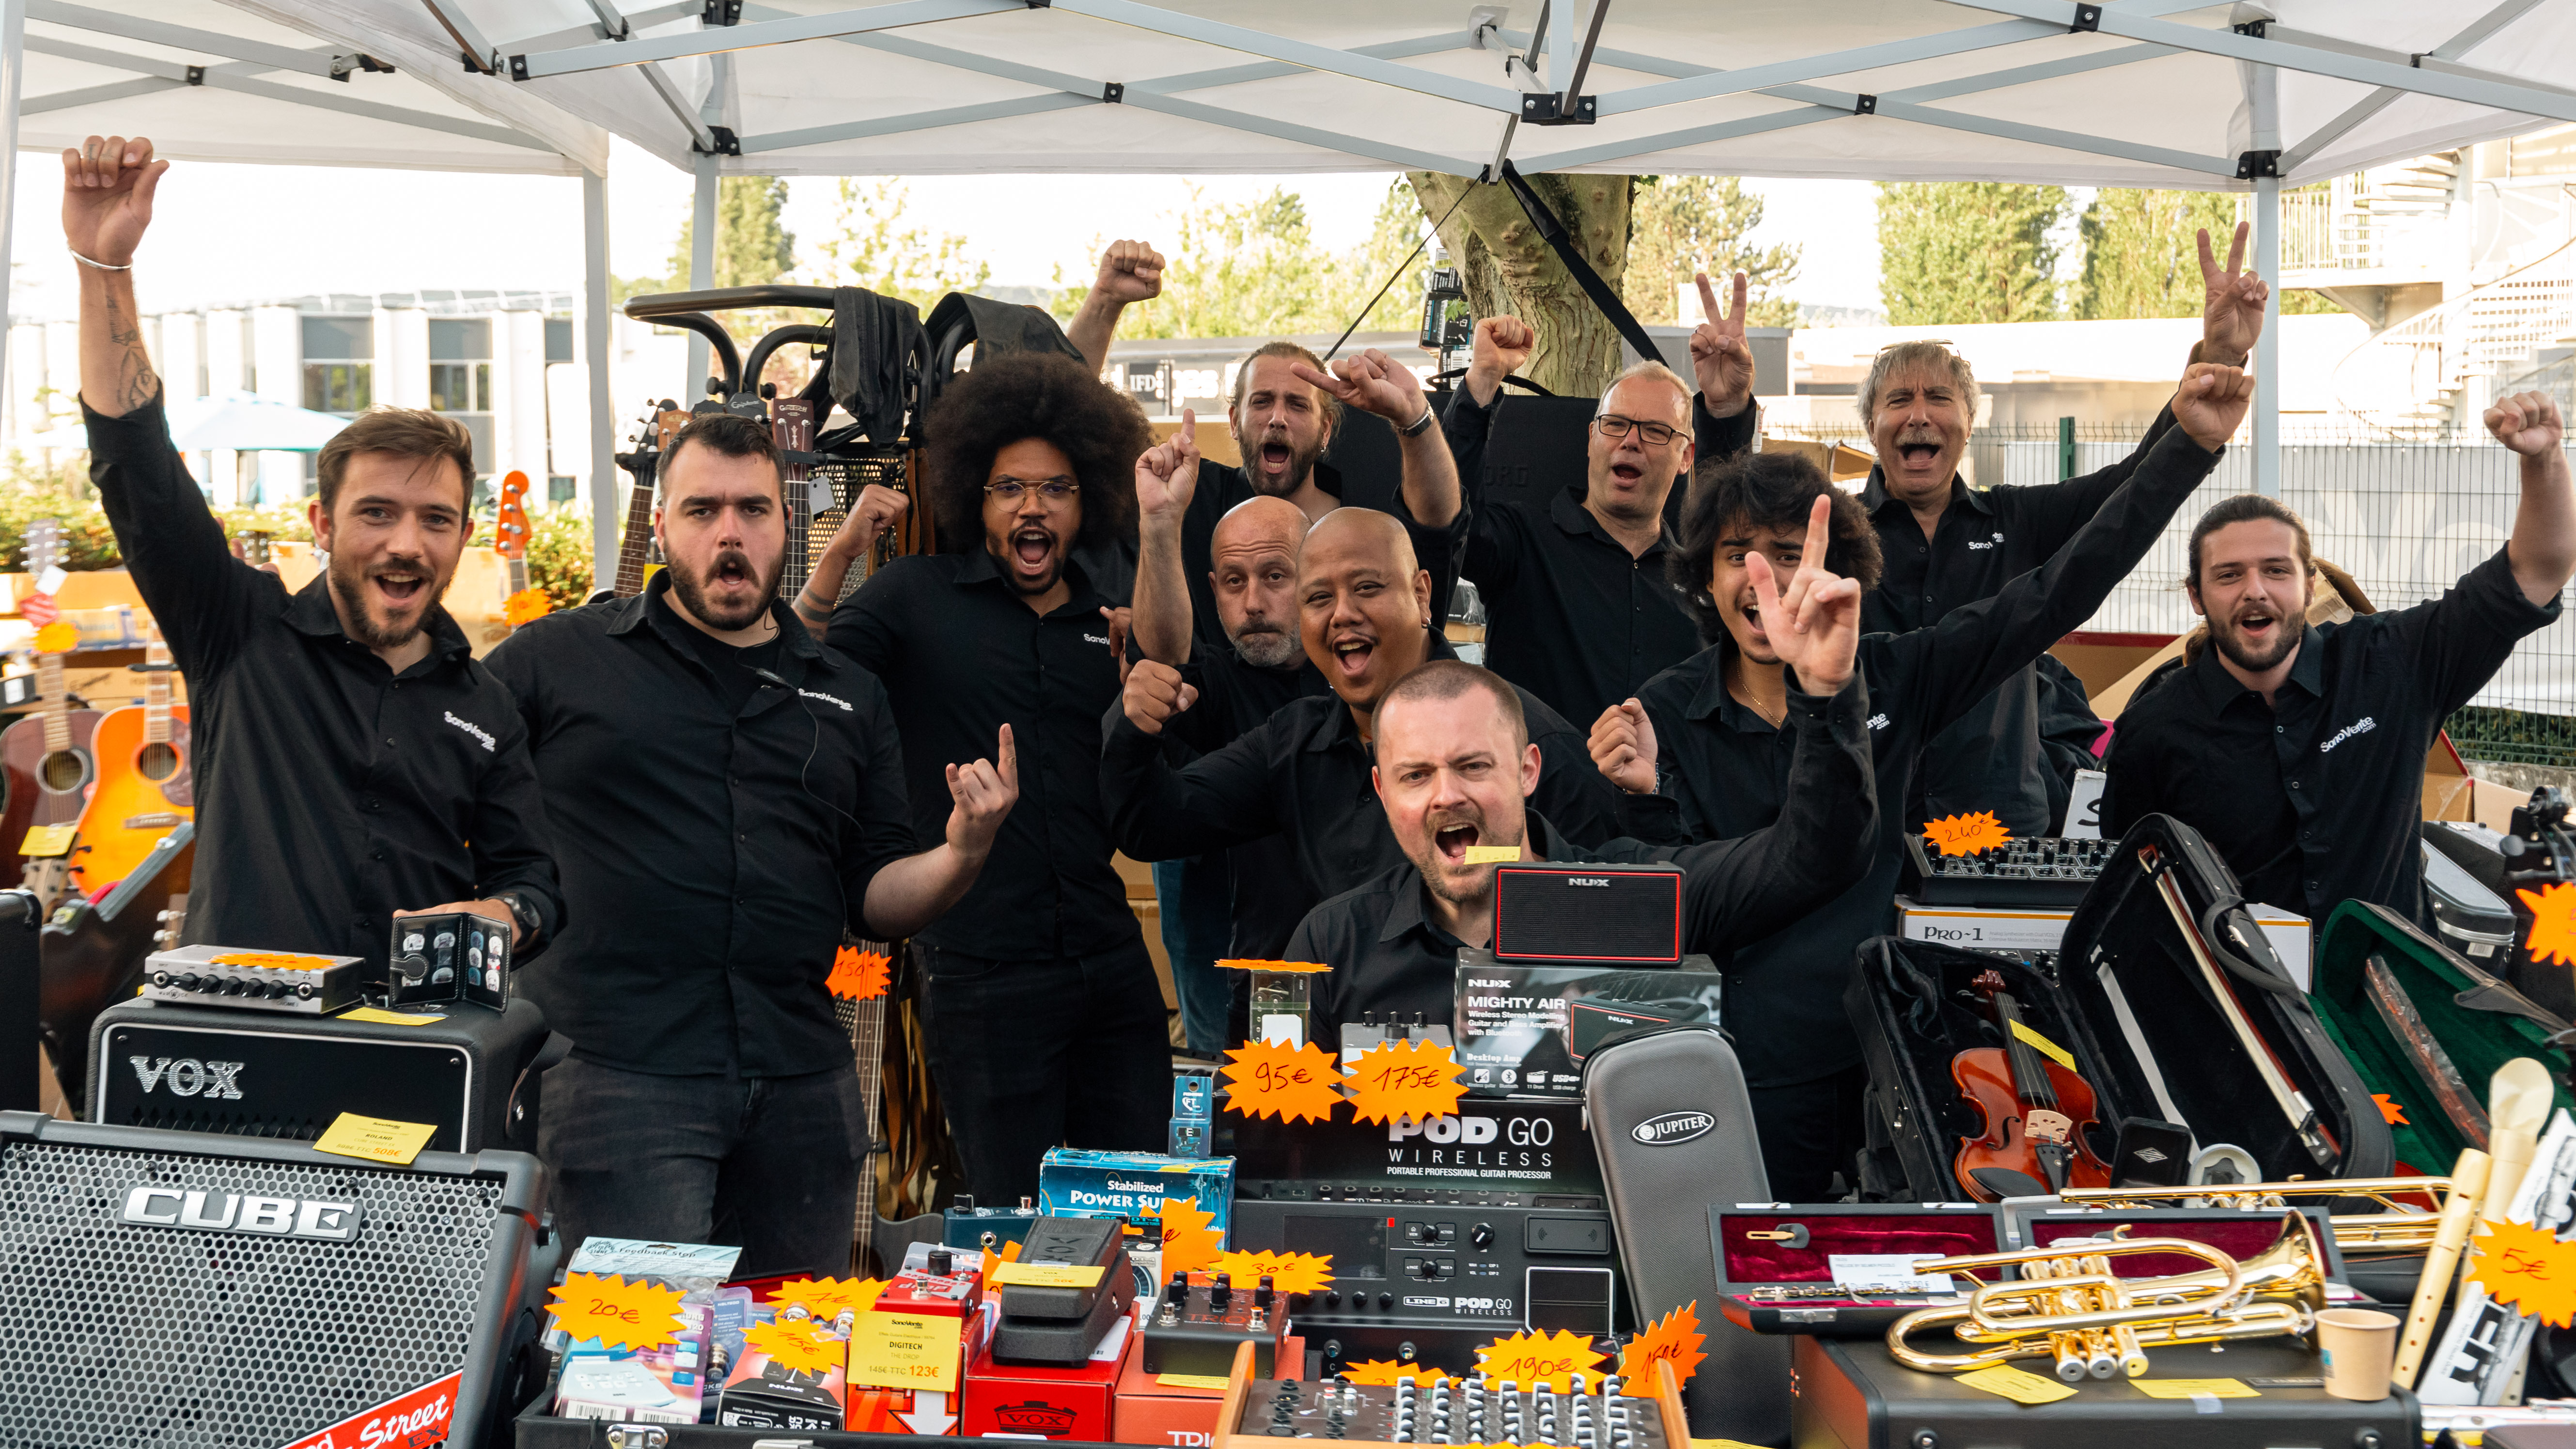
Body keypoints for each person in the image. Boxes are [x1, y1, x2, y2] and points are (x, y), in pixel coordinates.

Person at [1593, 363, 2252, 1197]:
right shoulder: (1663, 712)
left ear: (1837, 569)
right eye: (1737, 557)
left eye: (1791, 555)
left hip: (1900, 1052)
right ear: (1702, 575)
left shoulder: (1898, 676)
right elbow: (1672, 897)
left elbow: (2057, 592)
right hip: (1759, 1066)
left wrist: (2188, 445)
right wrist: (1646, 795)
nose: (1765, 580)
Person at [484, 413, 1015, 1277]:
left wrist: (962, 852)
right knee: (630, 1351)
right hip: (619, 1080)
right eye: (702, 510)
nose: (728, 533)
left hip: (801, 1087)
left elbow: (877, 899)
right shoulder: (556, 659)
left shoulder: (848, 694)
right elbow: (452, 778)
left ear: (787, 525)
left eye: (752, 509)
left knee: (792, 1348)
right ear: (662, 526)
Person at [63, 133, 560, 977]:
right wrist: (103, 269)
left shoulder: (486, 703)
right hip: (241, 1034)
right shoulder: (236, 630)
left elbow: (534, 879)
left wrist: (508, 913)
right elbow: (135, 466)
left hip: (411, 1039)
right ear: (322, 523)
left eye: (435, 520)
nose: (406, 544)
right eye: (377, 513)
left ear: (462, 537)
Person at [1713, 228, 2268, 840]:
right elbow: (1725, 542)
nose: (1919, 415)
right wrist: (1724, 415)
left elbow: (2131, 489)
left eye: (1939, 398)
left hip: (1998, 828)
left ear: (1968, 422)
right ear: (1871, 426)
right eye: (1898, 400)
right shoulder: (1827, 533)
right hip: (1868, 825)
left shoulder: (2019, 520)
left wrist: (2219, 360)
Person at [801, 351, 1166, 1204]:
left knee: (1145, 1204)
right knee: (1014, 1217)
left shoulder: (1108, 620)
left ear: (1088, 501)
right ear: (977, 497)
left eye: (1056, 488)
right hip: (982, 972)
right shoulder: (912, 596)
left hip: (1110, 959)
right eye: (1010, 488)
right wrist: (841, 550)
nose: (1032, 506)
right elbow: (800, 673)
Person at [1288, 520, 1875, 1044]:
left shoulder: (1634, 898)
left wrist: (1826, 696)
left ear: (1528, 770)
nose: (1447, 795)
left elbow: (1813, 859)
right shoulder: (1330, 947)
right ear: (1384, 792)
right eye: (1416, 776)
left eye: (1473, 766)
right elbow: (1279, 1119)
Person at [2103, 390, 2575, 927]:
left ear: (2308, 586)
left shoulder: (2395, 662)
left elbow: (2536, 572)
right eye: (2229, 575)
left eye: (2276, 571)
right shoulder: (2153, 730)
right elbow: (2134, 895)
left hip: (2388, 976)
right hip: (2239, 980)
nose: (2254, 590)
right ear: (2196, 596)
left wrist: (2542, 457)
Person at [1104, 508, 1623, 980]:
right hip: (1313, 1040)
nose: (1342, 614)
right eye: (1318, 598)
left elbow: (1609, 909)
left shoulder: (1531, 740)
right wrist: (1135, 726)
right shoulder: (1292, 742)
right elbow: (1153, 824)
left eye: (1367, 588)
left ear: (1421, 594)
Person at [1422, 273, 1762, 727]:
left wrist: (1726, 410)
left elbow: (1733, 518)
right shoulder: (1523, 545)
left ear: (1686, 457)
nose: (1630, 441)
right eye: (1615, 424)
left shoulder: (1701, 572)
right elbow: (1447, 513)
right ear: (1591, 438)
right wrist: (1481, 381)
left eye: (1655, 431)